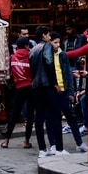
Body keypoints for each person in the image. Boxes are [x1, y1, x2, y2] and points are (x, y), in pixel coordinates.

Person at [29, 25, 58, 158]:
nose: (49, 37)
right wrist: (55, 83)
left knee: (39, 117)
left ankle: (42, 148)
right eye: (48, 34)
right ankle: (54, 145)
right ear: (43, 36)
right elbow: (49, 64)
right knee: (52, 115)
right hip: (46, 85)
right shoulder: (47, 47)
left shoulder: (33, 50)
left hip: (36, 86)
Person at [1, 36, 35, 149]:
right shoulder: (31, 56)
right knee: (30, 115)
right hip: (30, 87)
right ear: (26, 45)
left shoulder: (13, 57)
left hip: (18, 88)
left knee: (14, 115)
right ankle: (26, 141)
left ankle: (6, 140)